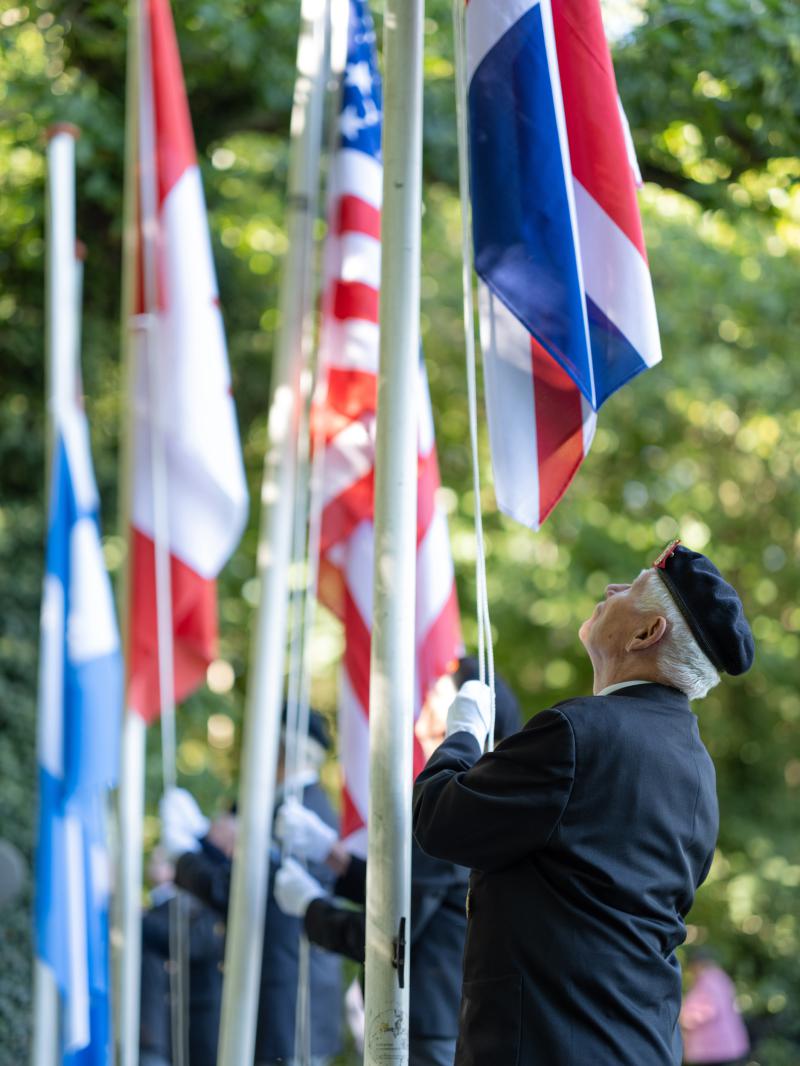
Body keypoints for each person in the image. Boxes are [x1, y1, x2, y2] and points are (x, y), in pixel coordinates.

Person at [412, 541, 755, 1066]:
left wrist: (461, 734)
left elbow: (440, 821)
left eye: (633, 587)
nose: (611, 590)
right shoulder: (696, 768)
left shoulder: (578, 732)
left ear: (647, 633)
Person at [272, 660, 522, 1066]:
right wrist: (335, 859)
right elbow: (412, 891)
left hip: (423, 1028)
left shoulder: (460, 802)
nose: (422, 710)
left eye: (437, 697)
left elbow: (389, 936)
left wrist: (310, 908)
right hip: (423, 1022)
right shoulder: (481, 793)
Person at [165, 711, 343, 1066]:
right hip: (282, 997)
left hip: (288, 999)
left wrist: (184, 858)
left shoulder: (297, 810)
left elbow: (240, 892)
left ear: (281, 751)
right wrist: (203, 843)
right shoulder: (297, 804)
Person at [680, 950, 750, 1065]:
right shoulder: (720, 977)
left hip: (715, 1050)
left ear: (697, 964)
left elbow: (702, 1011)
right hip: (728, 1046)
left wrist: (682, 1018)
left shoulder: (707, 980)